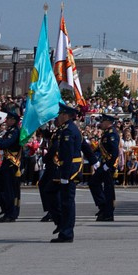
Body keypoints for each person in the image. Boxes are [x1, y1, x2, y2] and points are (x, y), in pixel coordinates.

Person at [51, 103, 84, 243]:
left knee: (67, 202)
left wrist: (65, 175)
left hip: (70, 170)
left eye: (60, 114)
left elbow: (69, 154)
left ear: (66, 115)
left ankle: (67, 232)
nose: (59, 116)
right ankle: (63, 227)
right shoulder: (66, 129)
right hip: (66, 168)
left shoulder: (69, 130)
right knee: (60, 198)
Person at [0, 107, 23, 223]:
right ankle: (5, 208)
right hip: (7, 162)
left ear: (14, 120)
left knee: (9, 189)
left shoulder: (15, 131)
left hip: (12, 164)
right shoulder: (10, 131)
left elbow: (6, 144)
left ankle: (10, 212)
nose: (7, 120)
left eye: (9, 119)